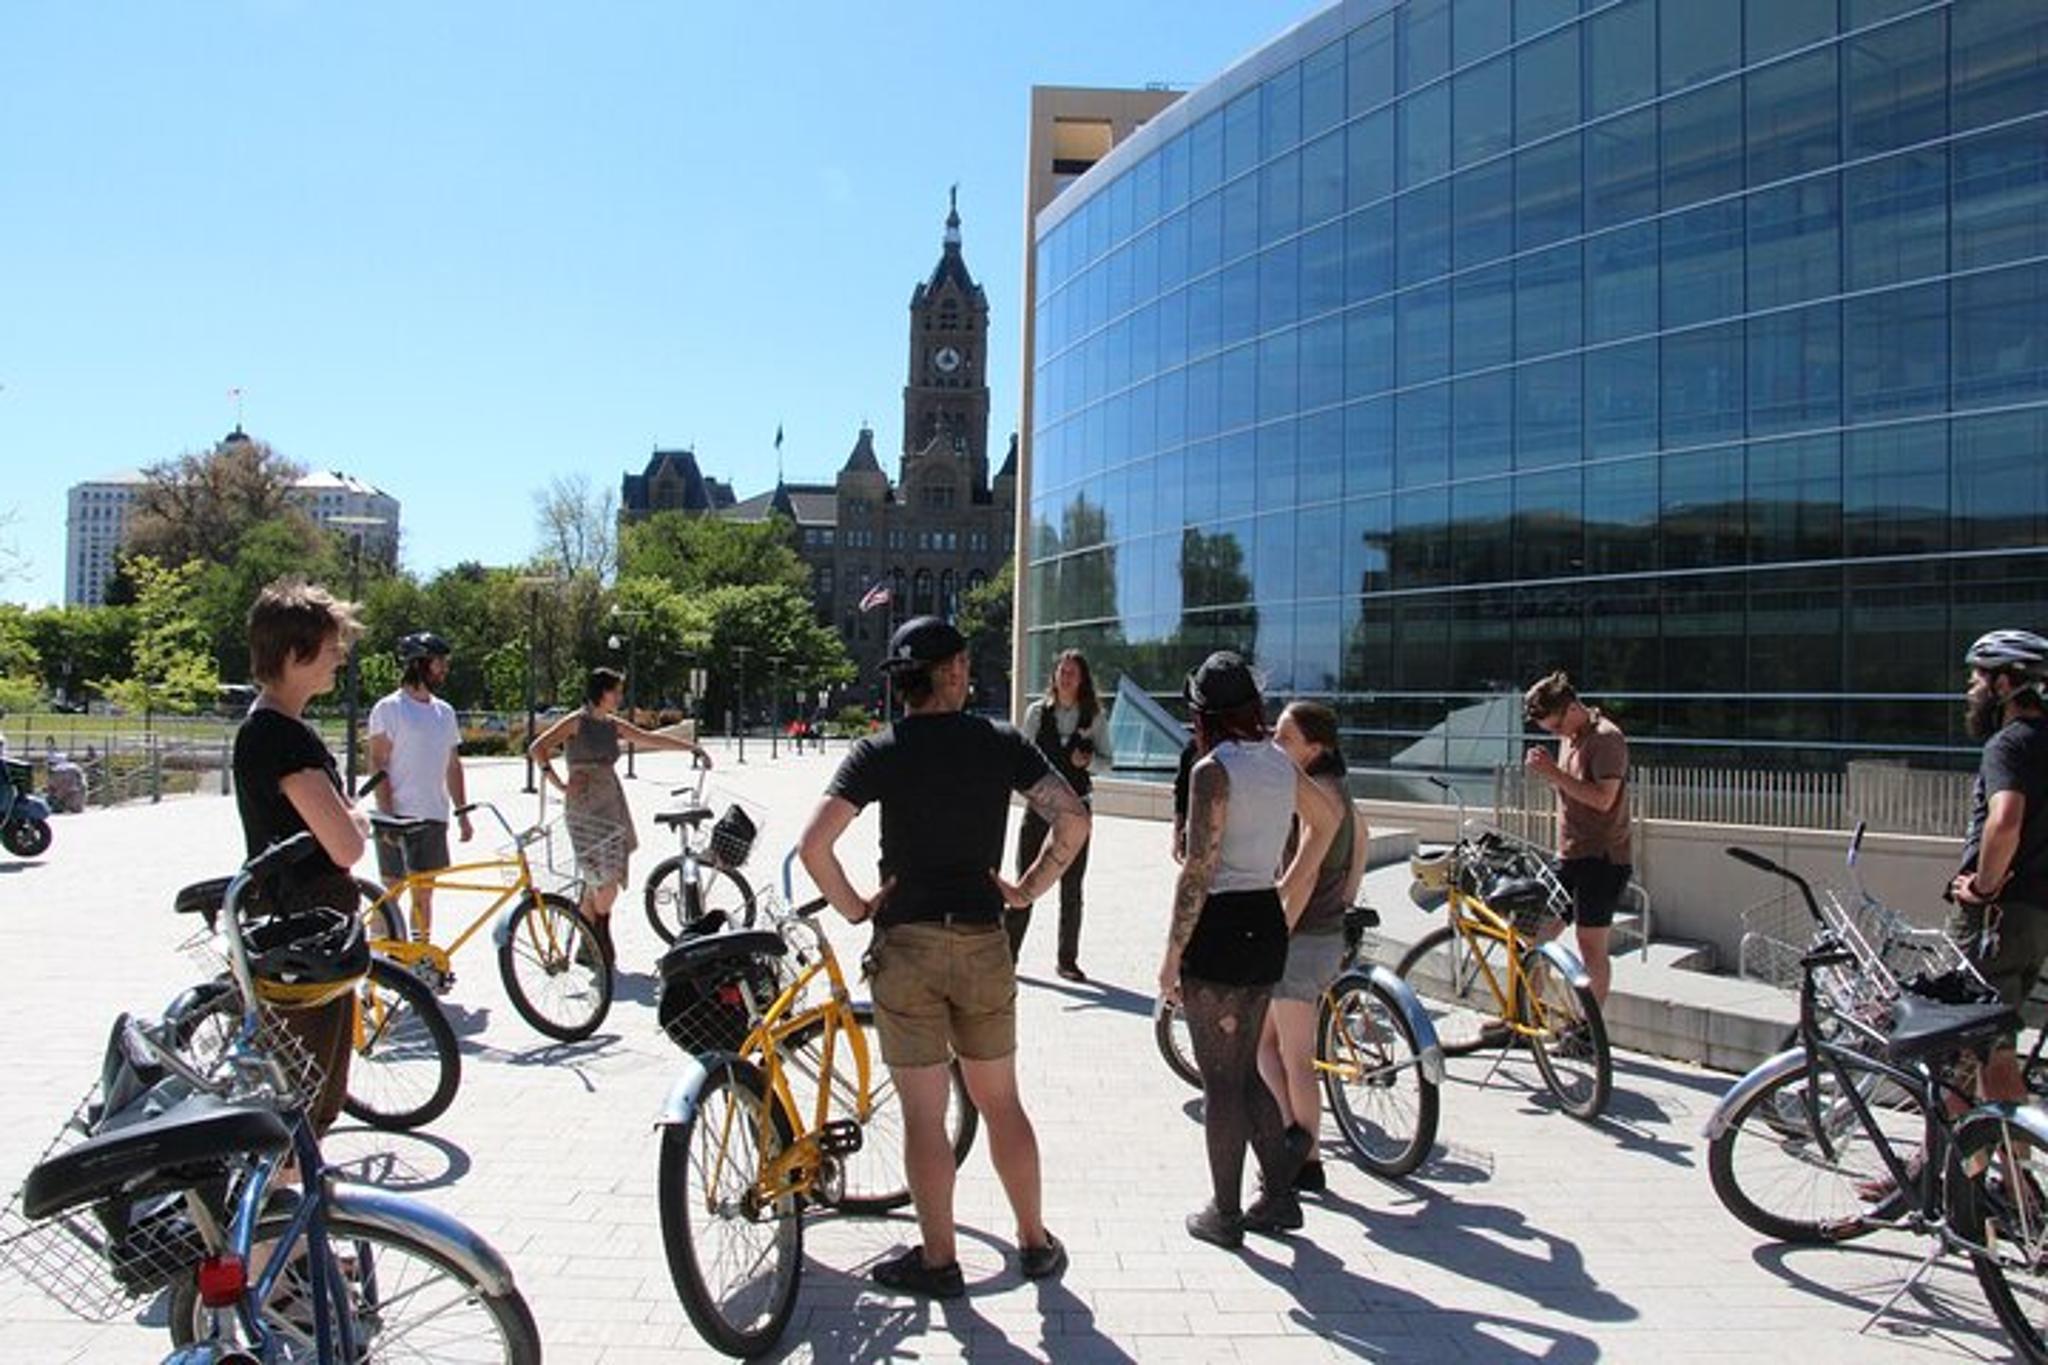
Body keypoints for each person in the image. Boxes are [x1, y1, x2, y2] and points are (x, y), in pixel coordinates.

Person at [799, 616, 1085, 1298]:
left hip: (906, 946)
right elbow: (1073, 818)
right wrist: (1027, 890)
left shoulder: (879, 750)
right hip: (984, 940)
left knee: (924, 1116)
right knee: (1001, 1100)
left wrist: (857, 907)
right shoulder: (1000, 741)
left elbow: (813, 846)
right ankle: (1034, 1242)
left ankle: (939, 1260)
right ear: (952, 671)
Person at [1158, 651, 1343, 1248]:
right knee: (1243, 1072)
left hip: (1219, 924)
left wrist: (1170, 956)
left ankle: (1226, 1212)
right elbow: (1329, 819)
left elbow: (1198, 870)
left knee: (1221, 1081)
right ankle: (1281, 1196)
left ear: (1203, 714)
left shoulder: (1212, 771)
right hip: (1264, 918)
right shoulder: (1279, 764)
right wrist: (1292, 879)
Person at [233, 578, 373, 1134]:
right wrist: (354, 821)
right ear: (295, 654)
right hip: (306, 926)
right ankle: (289, 1186)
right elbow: (346, 843)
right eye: (331, 647)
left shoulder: (270, 727)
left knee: (303, 1090)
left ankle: (295, 1181)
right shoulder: (281, 737)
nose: (339, 657)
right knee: (304, 1097)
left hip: (293, 917)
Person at [529, 666, 709, 965]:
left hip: (611, 802)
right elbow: (538, 748)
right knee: (604, 881)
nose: (620, 697)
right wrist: (559, 784)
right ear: (602, 692)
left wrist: (692, 747)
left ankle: (587, 945)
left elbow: (649, 738)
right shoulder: (576, 721)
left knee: (599, 878)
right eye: (616, 691)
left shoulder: (612, 725)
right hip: (584, 806)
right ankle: (601, 936)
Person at [1259, 701, 1367, 1196]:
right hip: (1324, 934)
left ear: (1315, 747)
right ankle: (1293, 1138)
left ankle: (1306, 1158)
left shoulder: (1316, 794)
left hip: (1300, 939)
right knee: (1268, 1046)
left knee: (1293, 1056)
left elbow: (1302, 875)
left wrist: (1276, 925)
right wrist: (1343, 902)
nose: (1275, 744)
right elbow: (1363, 839)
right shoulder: (1338, 786)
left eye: (1286, 738)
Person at [1948, 629, 2048, 1105]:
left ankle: (2019, 1155)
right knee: (1965, 1044)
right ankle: (1941, 1146)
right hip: (2036, 915)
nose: (1971, 690)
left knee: (1993, 1048)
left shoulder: (2008, 745)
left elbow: (2004, 820)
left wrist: (1985, 888)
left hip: (1998, 917)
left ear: (2005, 684)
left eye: (1977, 679)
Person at [1521, 670, 1630, 1007]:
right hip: (1569, 855)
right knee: (1535, 934)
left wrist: (1553, 773)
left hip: (1603, 859)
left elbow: (1604, 799)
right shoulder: (1569, 736)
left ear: (1571, 708)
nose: (1556, 733)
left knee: (1590, 944)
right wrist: (1553, 774)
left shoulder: (1607, 739)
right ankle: (1528, 1015)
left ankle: (1588, 1027)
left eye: (1556, 725)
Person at [1008, 648, 1112, 981]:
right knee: (1025, 880)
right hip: (1040, 809)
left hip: (1077, 811)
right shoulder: (1037, 713)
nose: (1066, 678)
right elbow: (1020, 756)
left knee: (1072, 885)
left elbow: (1108, 761)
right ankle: (1008, 956)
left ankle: (1067, 961)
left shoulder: (1094, 717)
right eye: (1062, 672)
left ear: (1082, 680)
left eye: (1072, 673)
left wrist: (1089, 762)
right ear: (1054, 675)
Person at [367, 631, 471, 943]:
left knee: (424, 894)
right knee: (392, 890)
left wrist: (462, 812)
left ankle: (419, 955)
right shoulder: (389, 708)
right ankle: (376, 953)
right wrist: (387, 815)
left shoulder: (444, 712)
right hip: (397, 816)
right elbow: (378, 763)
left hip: (433, 816)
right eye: (439, 663)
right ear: (419, 664)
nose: (444, 669)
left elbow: (453, 765)